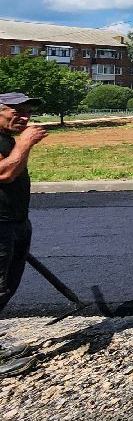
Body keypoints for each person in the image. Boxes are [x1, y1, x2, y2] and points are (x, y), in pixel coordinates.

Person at [0, 91, 48, 376]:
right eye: (15, 111)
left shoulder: (7, 139)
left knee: (6, 287)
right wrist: (26, 142)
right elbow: (4, 173)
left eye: (27, 112)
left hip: (15, 221)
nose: (24, 117)